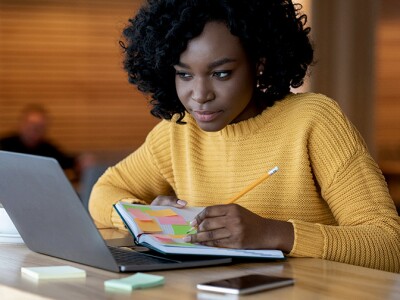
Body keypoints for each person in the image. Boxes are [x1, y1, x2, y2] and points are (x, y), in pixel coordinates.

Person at [88, 0, 400, 272]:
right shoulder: (177, 132)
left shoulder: (314, 121)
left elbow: (388, 245)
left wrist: (273, 233)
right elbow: (103, 193)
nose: (199, 95)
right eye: (184, 74)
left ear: (259, 63)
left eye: (221, 73)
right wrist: (141, 216)